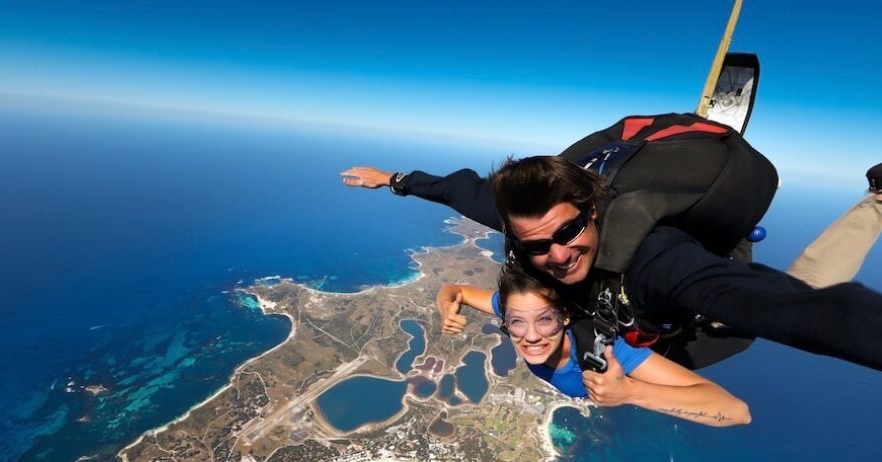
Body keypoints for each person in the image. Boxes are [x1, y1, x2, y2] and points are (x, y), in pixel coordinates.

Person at [342, 115, 882, 372]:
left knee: (794, 291)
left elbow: (788, 309)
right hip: (634, 320)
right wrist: (393, 180)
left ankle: (876, 201)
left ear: (593, 211)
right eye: (537, 245)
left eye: (569, 232)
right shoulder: (530, 229)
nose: (556, 253)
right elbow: (463, 190)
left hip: (701, 319)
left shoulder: (653, 262)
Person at [435, 266, 751, 427]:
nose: (530, 336)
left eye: (545, 320)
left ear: (567, 317)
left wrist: (631, 392)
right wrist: (445, 306)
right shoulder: (516, 308)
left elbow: (736, 412)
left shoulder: (605, 351)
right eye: (516, 322)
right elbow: (454, 289)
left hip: (684, 342)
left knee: (747, 321)